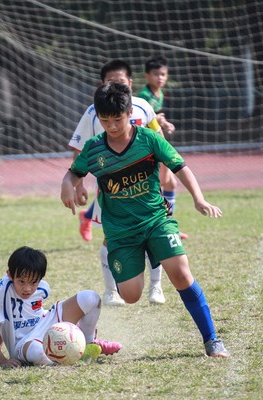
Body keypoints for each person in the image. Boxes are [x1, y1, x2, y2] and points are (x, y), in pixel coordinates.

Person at [61, 83, 230, 358]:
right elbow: (73, 173)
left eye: (117, 119)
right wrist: (67, 184)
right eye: (105, 120)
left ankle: (212, 340)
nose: (112, 126)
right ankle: (143, 260)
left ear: (130, 113)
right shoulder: (93, 149)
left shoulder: (149, 139)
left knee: (181, 274)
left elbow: (181, 167)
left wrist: (199, 199)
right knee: (131, 295)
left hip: (155, 220)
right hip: (120, 232)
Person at [68, 59, 166, 306]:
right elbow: (80, 149)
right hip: (111, 191)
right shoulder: (93, 113)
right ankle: (111, 291)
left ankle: (156, 286)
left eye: (120, 82)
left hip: (146, 187)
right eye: (110, 82)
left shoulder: (143, 107)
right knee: (110, 238)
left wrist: (165, 171)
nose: (115, 86)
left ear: (130, 83)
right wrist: (78, 185)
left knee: (155, 235)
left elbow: (158, 136)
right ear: (102, 84)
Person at [0, 246, 122, 367]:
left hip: (46, 322)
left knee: (91, 298)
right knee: (37, 351)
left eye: (34, 282)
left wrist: (3, 334)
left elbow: (19, 314)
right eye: (21, 282)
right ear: (10, 275)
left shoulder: (43, 288)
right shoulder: (1, 290)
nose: (27, 288)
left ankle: (88, 343)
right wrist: (2, 360)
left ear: (41, 277)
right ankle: (66, 361)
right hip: (24, 344)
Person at [137, 55, 186, 239]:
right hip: (147, 147)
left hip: (156, 142)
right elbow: (147, 119)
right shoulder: (143, 96)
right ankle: (160, 226)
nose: (160, 78)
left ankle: (167, 224)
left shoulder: (159, 94)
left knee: (170, 182)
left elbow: (154, 117)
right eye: (156, 74)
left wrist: (163, 122)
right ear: (147, 76)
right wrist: (160, 121)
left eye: (163, 74)